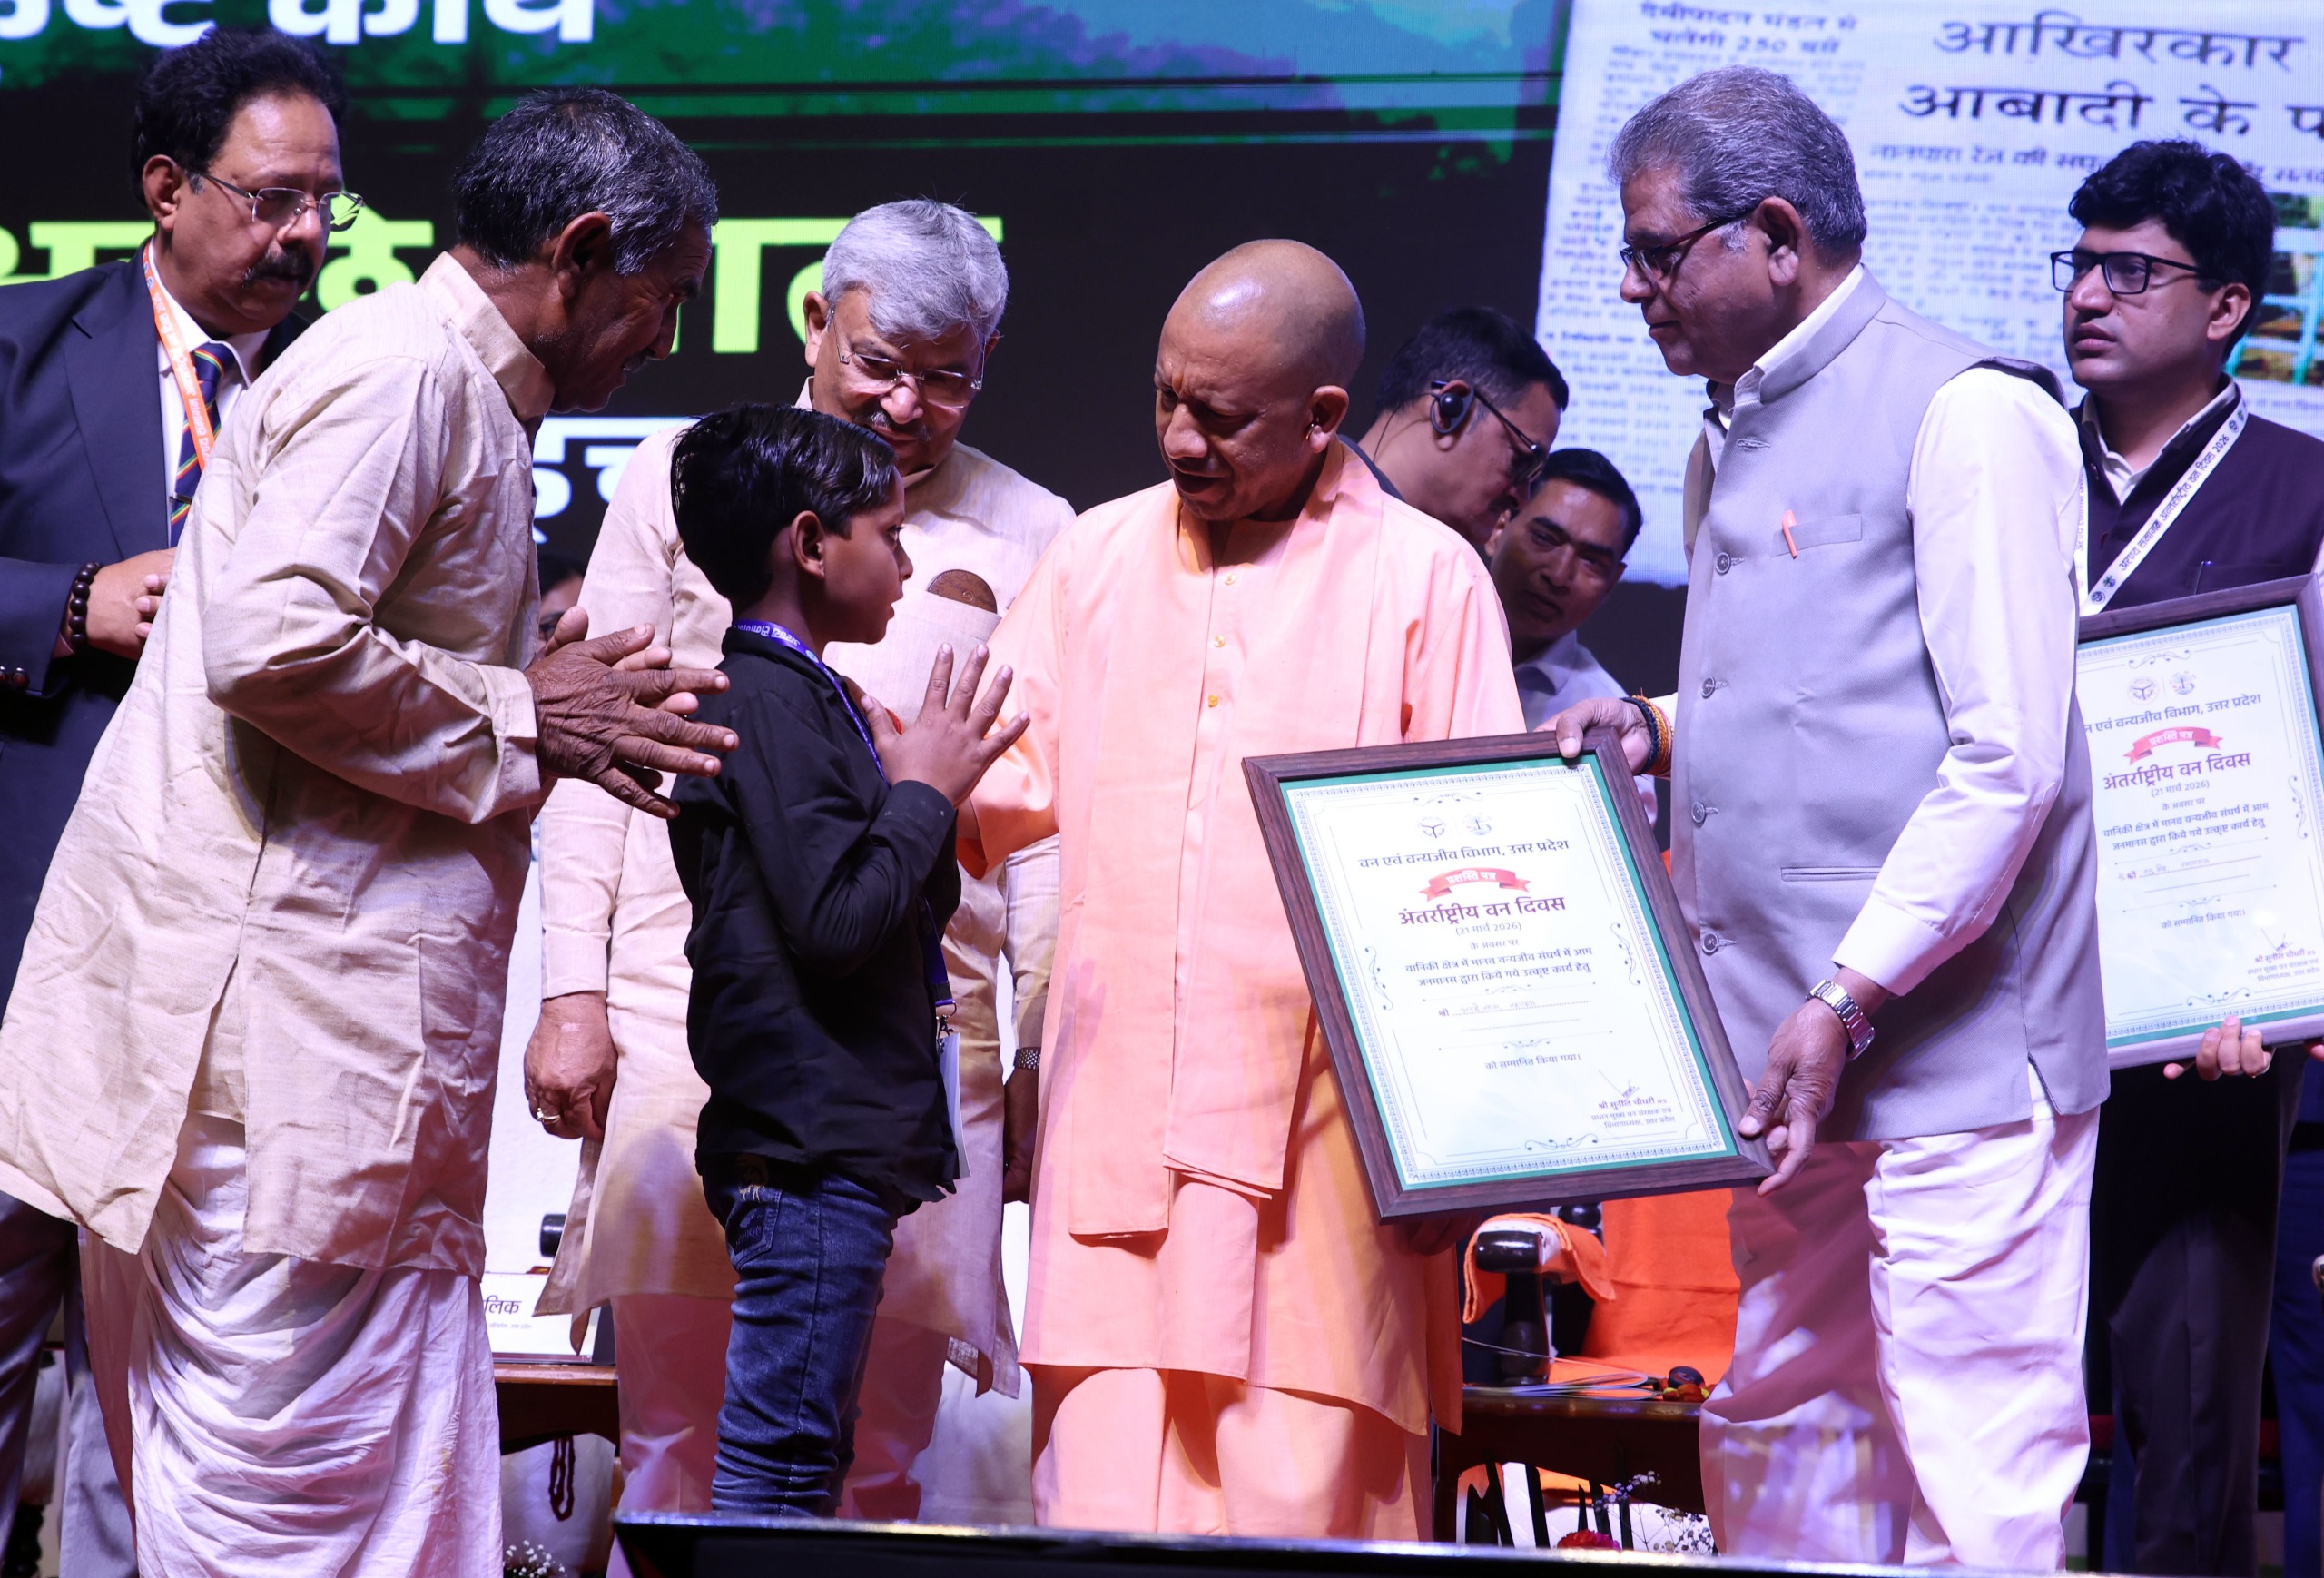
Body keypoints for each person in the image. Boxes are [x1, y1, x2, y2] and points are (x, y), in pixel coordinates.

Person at [0, 87, 734, 1575]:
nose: (665, 341)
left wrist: (526, 675)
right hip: (278, 1092)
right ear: (582, 251)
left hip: (318, 1084)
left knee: (355, 1519)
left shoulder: (438, 379)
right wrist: (527, 714)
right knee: (301, 1534)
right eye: (664, 297)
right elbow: (272, 642)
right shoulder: (406, 374)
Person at [1545, 66, 2104, 1568]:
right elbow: (1825, 682)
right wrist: (1657, 726)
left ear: (1779, 236)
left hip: (1952, 1056)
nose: (1633, 286)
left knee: (1972, 1472)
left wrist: (1851, 996)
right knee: (1784, 1440)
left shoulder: (1971, 411)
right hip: (1792, 1050)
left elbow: (2009, 756)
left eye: (1659, 252)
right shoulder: (1726, 431)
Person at [526, 198, 1068, 1546]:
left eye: (948, 378)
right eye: (880, 362)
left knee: (873, 1464)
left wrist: (1041, 1049)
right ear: (816, 319)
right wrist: (571, 990)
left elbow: (1047, 830)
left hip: (914, 1036)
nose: (907, 405)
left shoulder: (1037, 527)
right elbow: (595, 739)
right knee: (673, 1438)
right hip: (684, 1006)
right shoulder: (689, 475)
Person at [961, 239, 1522, 1538]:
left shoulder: (1425, 580)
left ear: (1323, 415)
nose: (1179, 437)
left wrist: (1464, 1155)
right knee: (1098, 1523)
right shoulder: (1095, 559)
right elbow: (979, 796)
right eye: (1166, 397)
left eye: (1218, 416)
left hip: (1325, 1187)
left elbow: (1483, 893)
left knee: (1301, 1530)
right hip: (1116, 1169)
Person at [0, 29, 347, 1573]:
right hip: (35, 960)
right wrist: (69, 603)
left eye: (327, 202)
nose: (306, 235)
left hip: (256, 986)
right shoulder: (21, 344)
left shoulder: (356, 384)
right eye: (272, 200)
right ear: (165, 189)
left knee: (183, 1424)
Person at [665, 402, 1023, 1514]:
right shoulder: (769, 700)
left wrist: (909, 789)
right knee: (778, 1469)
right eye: (890, 533)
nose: (907, 564)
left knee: (799, 1462)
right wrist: (922, 793)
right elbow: (834, 923)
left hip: (823, 1145)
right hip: (805, 1149)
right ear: (812, 544)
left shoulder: (804, 697)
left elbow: (892, 903)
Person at [2056, 139, 2324, 1577]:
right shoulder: (2008, 468)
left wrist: (2286, 977)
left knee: (2189, 1410)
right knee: (1982, 1399)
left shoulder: (2305, 489)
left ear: (2225, 306)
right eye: (2080, 263)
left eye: (2129, 270)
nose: (2088, 295)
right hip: (1997, 1001)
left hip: (2207, 1027)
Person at [1349, 306, 1566, 555]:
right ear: (1449, 409)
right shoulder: (1314, 509)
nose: (1521, 499)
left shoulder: (1439, 564)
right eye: (1522, 462)